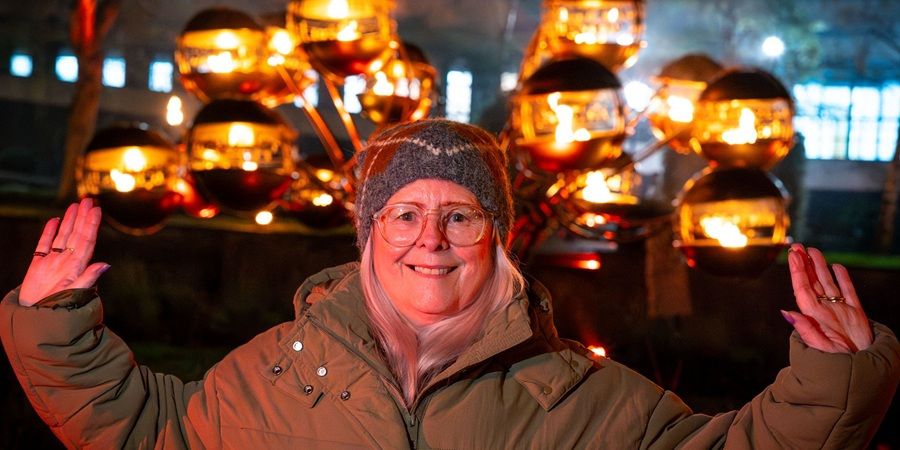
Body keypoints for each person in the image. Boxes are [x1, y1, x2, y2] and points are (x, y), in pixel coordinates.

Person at [2, 119, 898, 449]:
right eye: (402, 214)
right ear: (367, 236)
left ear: (498, 240)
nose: (430, 239)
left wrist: (836, 377)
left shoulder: (586, 403)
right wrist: (53, 326)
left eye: (461, 215)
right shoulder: (273, 373)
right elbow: (142, 431)